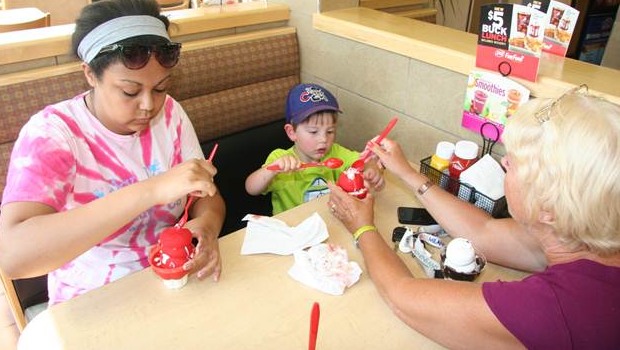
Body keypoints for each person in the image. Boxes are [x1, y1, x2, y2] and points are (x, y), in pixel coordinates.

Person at [327, 86, 620, 348]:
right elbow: (483, 232)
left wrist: (362, 227)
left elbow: (403, 297)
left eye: (514, 163)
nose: (504, 162)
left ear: (548, 209)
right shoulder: (584, 232)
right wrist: (408, 174)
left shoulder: (554, 309)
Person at [0, 0, 225, 305]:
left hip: (176, 282)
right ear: (90, 73)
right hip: (94, 300)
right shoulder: (53, 134)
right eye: (130, 91)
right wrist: (151, 190)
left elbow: (205, 198)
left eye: (160, 88)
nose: (149, 105)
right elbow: (14, 256)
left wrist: (206, 229)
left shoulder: (170, 113)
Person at [245, 83, 384, 215]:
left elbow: (362, 162)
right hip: (293, 228)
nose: (324, 139)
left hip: (329, 220)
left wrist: (372, 169)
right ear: (292, 132)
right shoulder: (279, 157)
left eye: (330, 132)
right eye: (313, 132)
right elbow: (251, 188)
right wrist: (271, 170)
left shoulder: (335, 153)